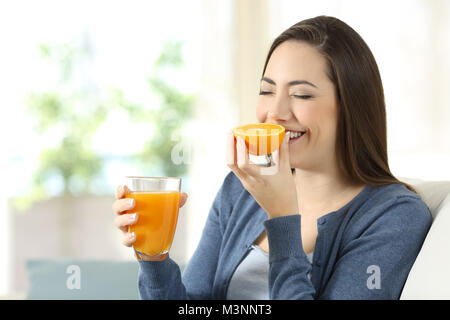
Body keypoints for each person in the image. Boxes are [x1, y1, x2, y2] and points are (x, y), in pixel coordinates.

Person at [112, 15, 432, 299]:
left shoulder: (394, 216)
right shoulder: (239, 191)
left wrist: (282, 220)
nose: (275, 113)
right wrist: (153, 255)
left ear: (351, 107)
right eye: (267, 91)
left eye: (301, 94)